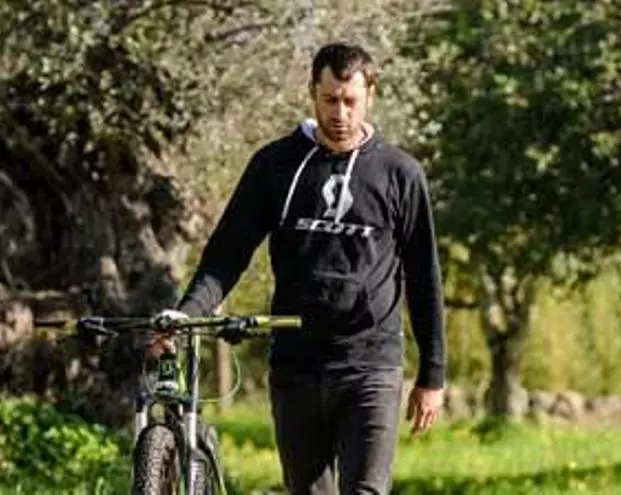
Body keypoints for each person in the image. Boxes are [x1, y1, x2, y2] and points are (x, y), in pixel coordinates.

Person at [149, 41, 446, 494]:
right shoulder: (275, 165)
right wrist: (187, 314)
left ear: (371, 96)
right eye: (330, 100)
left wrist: (432, 375)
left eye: (351, 101)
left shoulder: (400, 173)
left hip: (371, 365)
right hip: (296, 365)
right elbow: (226, 254)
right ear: (312, 93)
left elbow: (424, 278)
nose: (340, 113)